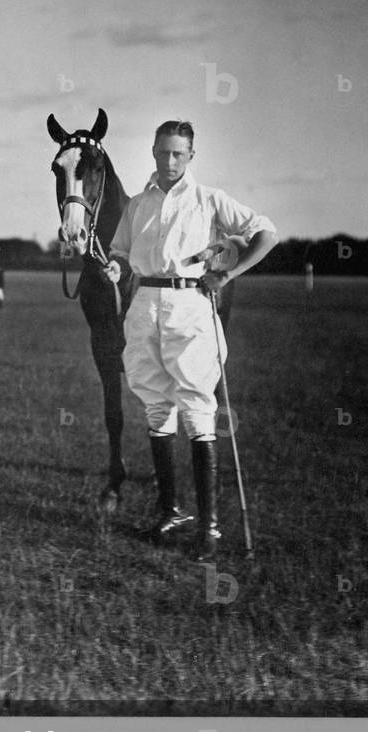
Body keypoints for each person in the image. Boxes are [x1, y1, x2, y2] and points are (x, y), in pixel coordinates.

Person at [103, 119, 277, 560]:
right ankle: (170, 511)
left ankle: (210, 528)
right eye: (162, 152)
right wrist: (116, 268)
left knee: (198, 407)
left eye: (178, 153)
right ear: (153, 152)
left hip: (190, 306)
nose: (169, 160)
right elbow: (122, 252)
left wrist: (230, 272)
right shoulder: (138, 204)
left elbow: (266, 232)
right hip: (143, 305)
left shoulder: (208, 199)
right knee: (155, 405)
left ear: (191, 156)